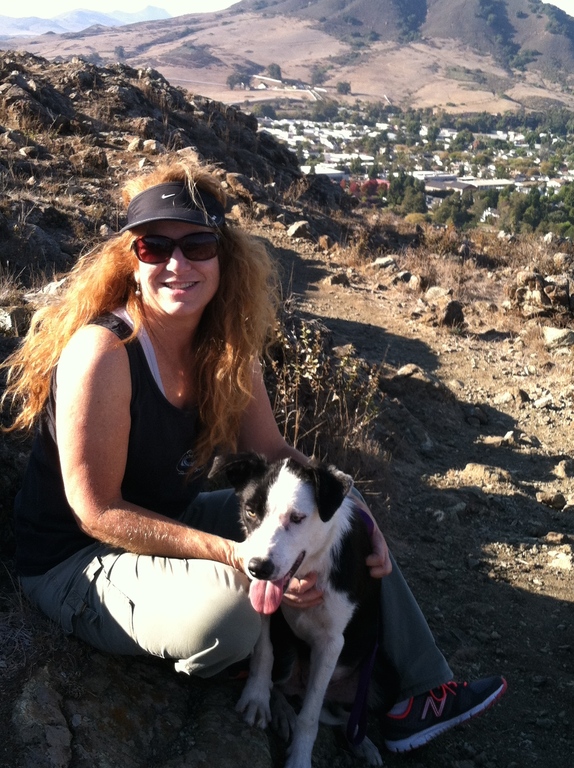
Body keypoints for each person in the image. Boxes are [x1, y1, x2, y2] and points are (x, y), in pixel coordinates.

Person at [2, 159, 505, 754]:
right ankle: (239, 659)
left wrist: (360, 522)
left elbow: (273, 454)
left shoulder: (224, 350)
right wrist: (237, 556)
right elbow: (97, 512)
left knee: (338, 501)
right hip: (76, 559)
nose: (176, 264)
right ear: (129, 260)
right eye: (153, 245)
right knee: (234, 615)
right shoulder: (106, 352)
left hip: (170, 520)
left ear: (224, 258)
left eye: (197, 244)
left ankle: (422, 689)